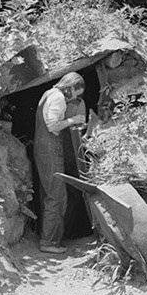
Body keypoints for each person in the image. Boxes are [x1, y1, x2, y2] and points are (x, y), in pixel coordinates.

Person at [33, 72, 86, 254]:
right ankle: (49, 242)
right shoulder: (58, 98)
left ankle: (48, 237)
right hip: (49, 150)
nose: (73, 99)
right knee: (57, 196)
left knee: (49, 193)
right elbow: (52, 125)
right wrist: (73, 120)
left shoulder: (48, 93)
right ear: (70, 87)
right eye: (75, 94)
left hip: (43, 149)